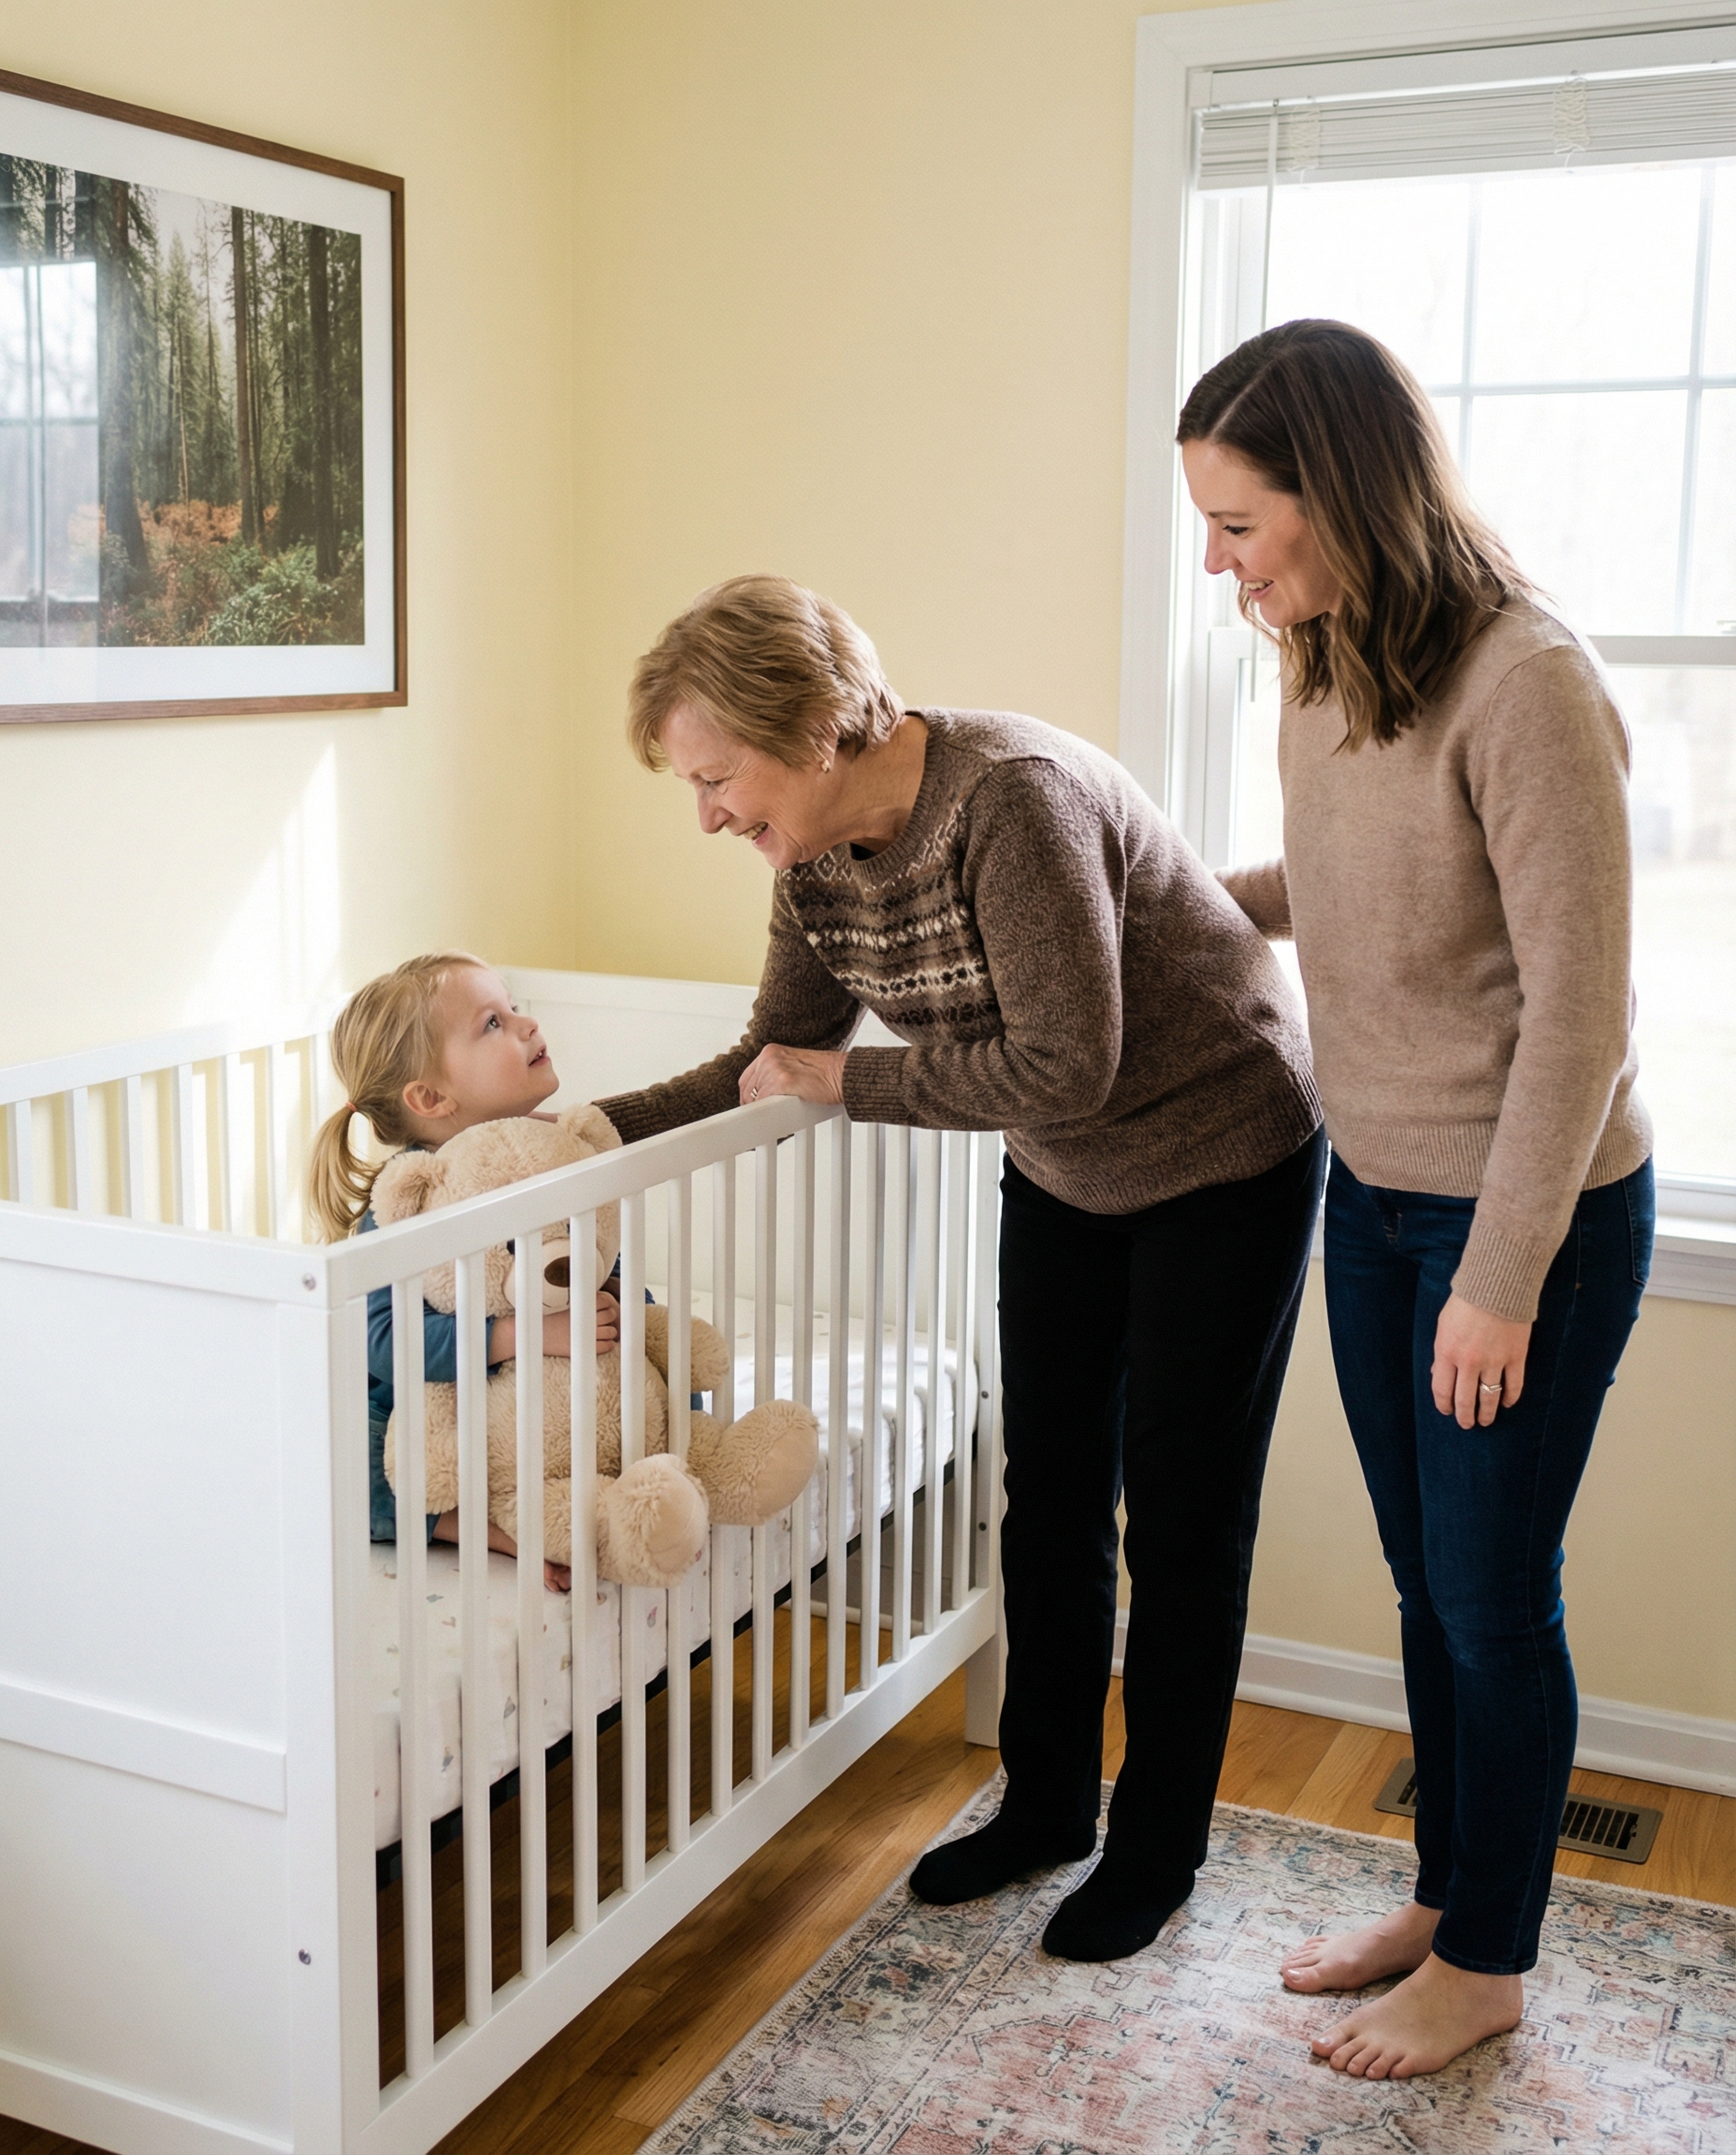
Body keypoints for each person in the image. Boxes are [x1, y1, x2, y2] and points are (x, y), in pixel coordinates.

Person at [594, 572, 1325, 1960]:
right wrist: (579, 1134)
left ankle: (1157, 1846)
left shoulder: (1013, 799)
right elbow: (768, 1062)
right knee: (1048, 1493)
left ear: (810, 724)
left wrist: (849, 1080)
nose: (707, 815)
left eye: (719, 776)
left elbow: (1065, 1059)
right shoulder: (810, 862)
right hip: (1069, 1166)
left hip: (1224, 1145)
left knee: (1179, 1519)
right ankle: (1046, 1802)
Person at [1179, 319, 1654, 2079]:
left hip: (1518, 1220)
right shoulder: (1320, 657)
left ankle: (1490, 1964)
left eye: (1239, 523)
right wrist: (1170, 903)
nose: (1218, 564)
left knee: (1489, 1590)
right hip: (1367, 1193)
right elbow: (1343, 879)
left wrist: (1504, 1272)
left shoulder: (1525, 678)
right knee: (1420, 1575)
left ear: (1346, 494)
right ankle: (1452, 1893)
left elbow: (1582, 1007)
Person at [309, 951, 622, 1593]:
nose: (525, 1024)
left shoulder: (554, 1159)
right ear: (430, 1097)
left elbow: (598, 1265)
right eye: (492, 1024)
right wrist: (519, 1337)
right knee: (340, 1467)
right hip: (432, 1421)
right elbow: (385, 1343)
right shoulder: (409, 1209)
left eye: (513, 1009)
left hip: (537, 1411)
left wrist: (615, 1306)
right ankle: (474, 1524)